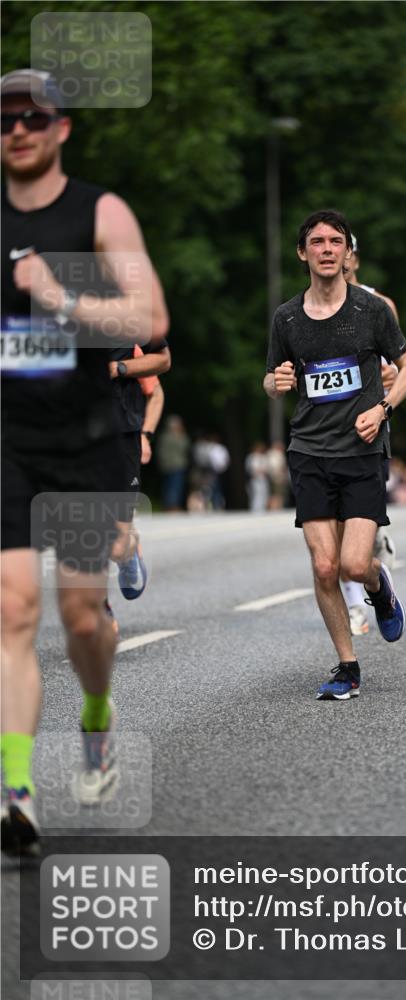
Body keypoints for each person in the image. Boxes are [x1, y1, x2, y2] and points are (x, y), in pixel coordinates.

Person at [1, 70, 169, 856]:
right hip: (8, 439)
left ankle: (97, 719)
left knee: (80, 619)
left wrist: (62, 298)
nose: (17, 130)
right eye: (4, 119)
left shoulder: (99, 212)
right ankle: (16, 792)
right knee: (12, 611)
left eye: (33, 117)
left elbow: (148, 316)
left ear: (61, 128)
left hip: (87, 438)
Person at [264, 209, 406, 699]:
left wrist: (383, 408)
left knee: (354, 564)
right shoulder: (287, 317)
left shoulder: (371, 310)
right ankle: (347, 666)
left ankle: (378, 586)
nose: (327, 249)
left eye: (336, 241)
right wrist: (276, 382)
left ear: (347, 252)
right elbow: (272, 378)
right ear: (302, 252)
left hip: (361, 449)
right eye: (317, 242)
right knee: (324, 566)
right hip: (309, 450)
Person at [341, 234, 399, 635]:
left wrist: (389, 385)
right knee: (333, 528)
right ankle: (352, 606)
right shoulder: (306, 308)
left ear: (355, 258)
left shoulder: (379, 304)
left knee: (361, 525)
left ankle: (376, 546)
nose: (337, 258)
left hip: (370, 425)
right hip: (325, 428)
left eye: (345, 250)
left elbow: (400, 365)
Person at [107, 339, 170, 618]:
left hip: (121, 437)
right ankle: (99, 609)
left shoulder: (127, 337)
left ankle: (127, 553)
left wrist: (146, 435)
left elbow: (155, 392)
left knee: (116, 544)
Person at [157, 415, 190, 511]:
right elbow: (185, 446)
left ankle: (167, 505)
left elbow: (160, 451)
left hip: (165, 465)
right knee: (175, 486)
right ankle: (173, 506)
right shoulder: (178, 437)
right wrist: (182, 434)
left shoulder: (163, 436)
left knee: (167, 486)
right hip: (177, 465)